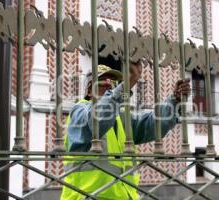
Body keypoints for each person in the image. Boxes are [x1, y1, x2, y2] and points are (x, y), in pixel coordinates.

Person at [60, 63, 191, 200]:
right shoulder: (79, 110)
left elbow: (153, 123)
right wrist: (123, 87)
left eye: (112, 81)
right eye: (102, 81)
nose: (109, 84)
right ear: (88, 90)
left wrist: (174, 100)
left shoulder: (121, 118)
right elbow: (97, 121)